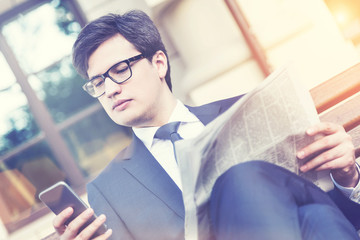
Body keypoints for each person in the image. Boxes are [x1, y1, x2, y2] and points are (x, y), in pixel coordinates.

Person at [52, 10, 360, 240]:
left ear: (159, 63)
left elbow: (340, 215)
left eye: (119, 70)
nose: (110, 90)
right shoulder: (108, 190)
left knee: (305, 209)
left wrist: (347, 178)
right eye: (97, 83)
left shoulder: (249, 112)